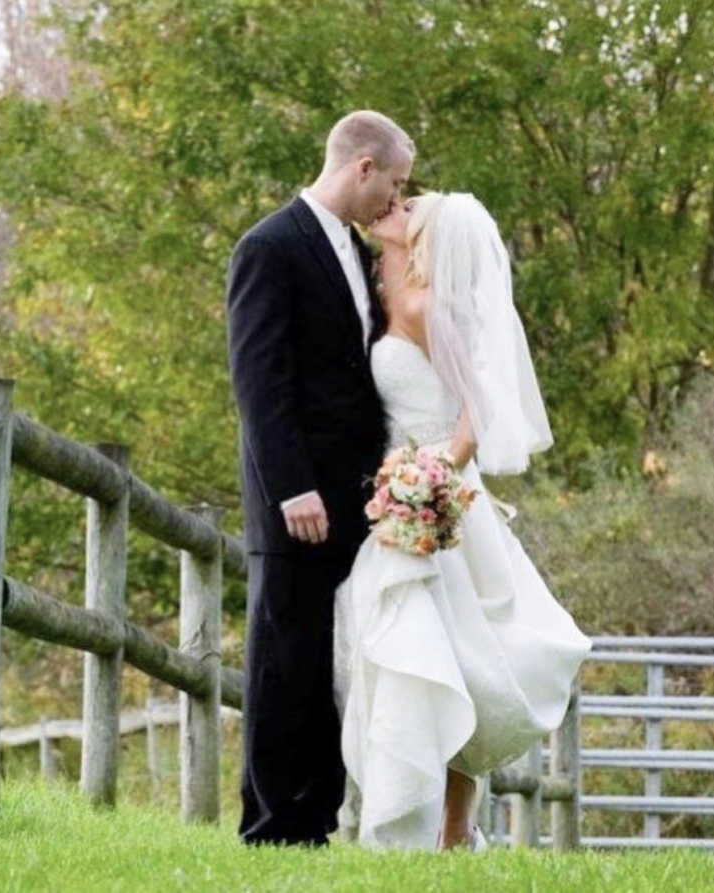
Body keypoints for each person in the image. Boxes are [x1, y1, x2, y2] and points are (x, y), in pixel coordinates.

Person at [333, 192, 591, 851]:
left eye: (409, 204)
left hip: (432, 499)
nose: (396, 204)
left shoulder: (428, 306)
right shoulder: (370, 283)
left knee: (448, 655)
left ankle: (450, 829)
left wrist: (433, 475)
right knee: (398, 654)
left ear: (427, 234)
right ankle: (393, 814)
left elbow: (476, 410)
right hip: (384, 495)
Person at [226, 111, 414, 846]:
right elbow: (260, 381)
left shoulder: (352, 250)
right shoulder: (269, 246)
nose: (394, 200)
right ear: (362, 167)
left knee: (329, 661)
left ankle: (317, 817)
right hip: (297, 497)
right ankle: (272, 825)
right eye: (393, 183)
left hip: (355, 497)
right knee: (284, 659)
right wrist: (290, 486)